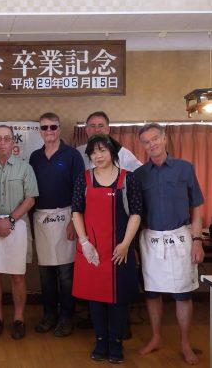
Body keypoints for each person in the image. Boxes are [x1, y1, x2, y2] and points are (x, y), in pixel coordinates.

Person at [133, 123, 205, 365]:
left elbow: (196, 208)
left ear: (164, 139)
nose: (151, 144)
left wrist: (197, 241)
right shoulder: (140, 175)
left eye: (155, 138)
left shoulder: (185, 169)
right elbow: (136, 215)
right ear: (142, 145)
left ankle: (185, 343)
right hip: (151, 239)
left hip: (181, 237)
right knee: (152, 293)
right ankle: (155, 337)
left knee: (183, 294)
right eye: (146, 141)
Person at [71, 134, 142, 363]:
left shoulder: (127, 179)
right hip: (92, 249)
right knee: (95, 298)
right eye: (93, 152)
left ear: (112, 151)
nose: (97, 156)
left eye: (102, 150)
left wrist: (125, 244)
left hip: (118, 249)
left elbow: (136, 214)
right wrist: (84, 241)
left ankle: (116, 342)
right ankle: (100, 340)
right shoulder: (84, 179)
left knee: (118, 299)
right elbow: (76, 211)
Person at [0, 124, 39, 340]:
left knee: (17, 276)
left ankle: (19, 318)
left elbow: (31, 198)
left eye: (6, 138)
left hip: (17, 225)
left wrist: (10, 220)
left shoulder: (25, 168)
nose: (2, 142)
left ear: (13, 142)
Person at [28, 113, 84, 337]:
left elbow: (80, 189)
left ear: (59, 129)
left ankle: (67, 316)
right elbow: (30, 191)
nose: (49, 131)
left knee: (66, 273)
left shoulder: (72, 155)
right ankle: (49, 314)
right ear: (40, 131)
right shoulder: (34, 157)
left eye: (53, 127)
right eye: (44, 127)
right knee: (46, 273)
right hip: (41, 219)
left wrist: (74, 220)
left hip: (66, 217)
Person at [77, 111, 142, 171]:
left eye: (101, 126)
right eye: (92, 126)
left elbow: (140, 174)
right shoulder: (78, 152)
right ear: (87, 130)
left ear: (108, 130)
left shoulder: (123, 154)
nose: (97, 130)